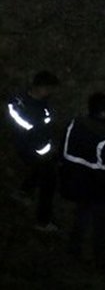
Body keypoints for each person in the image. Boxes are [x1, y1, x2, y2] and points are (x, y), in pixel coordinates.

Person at [60, 92, 105, 272]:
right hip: (99, 188)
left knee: (81, 215)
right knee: (100, 224)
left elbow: (64, 151)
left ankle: (73, 250)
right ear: (104, 112)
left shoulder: (74, 124)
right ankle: (101, 260)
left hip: (76, 181)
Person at [6, 70, 60, 231]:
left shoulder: (41, 103)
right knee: (49, 182)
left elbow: (44, 127)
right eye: (48, 88)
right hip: (29, 149)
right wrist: (44, 152)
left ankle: (23, 192)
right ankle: (43, 221)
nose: (50, 92)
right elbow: (28, 129)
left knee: (39, 170)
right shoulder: (21, 104)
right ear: (38, 87)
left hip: (41, 148)